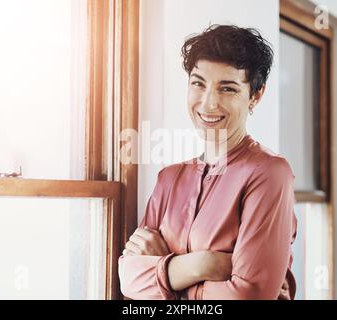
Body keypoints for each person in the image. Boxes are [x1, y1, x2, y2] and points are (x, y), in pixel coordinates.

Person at [118, 24, 297, 300]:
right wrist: (204, 264)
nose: (208, 103)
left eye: (227, 88)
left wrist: (166, 276)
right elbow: (128, 280)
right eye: (198, 83)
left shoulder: (269, 173)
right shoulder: (169, 178)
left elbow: (250, 295)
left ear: (255, 95)